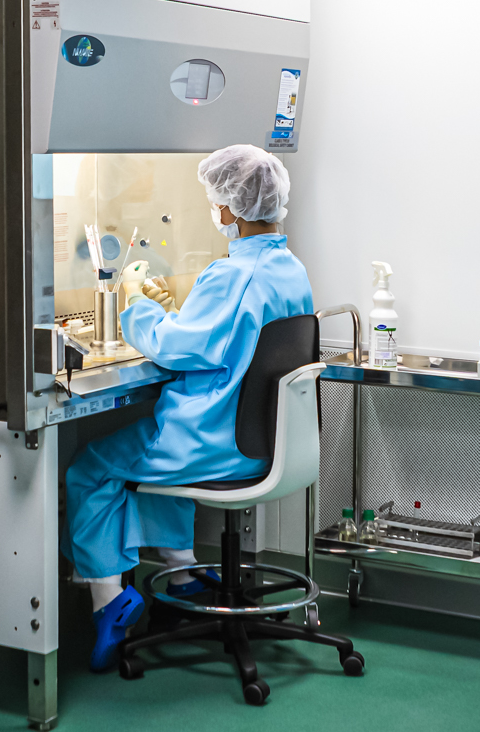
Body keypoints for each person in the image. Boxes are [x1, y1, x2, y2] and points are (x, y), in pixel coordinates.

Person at [63, 143, 313, 672]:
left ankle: (108, 601)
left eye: (214, 202)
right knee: (148, 450)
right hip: (264, 444)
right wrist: (172, 311)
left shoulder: (232, 275)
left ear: (229, 209)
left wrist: (136, 303)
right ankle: (181, 572)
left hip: (210, 445)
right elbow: (224, 338)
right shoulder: (290, 270)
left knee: (93, 468)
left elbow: (174, 347)